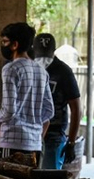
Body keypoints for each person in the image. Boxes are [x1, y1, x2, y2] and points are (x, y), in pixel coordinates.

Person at [0, 22, 53, 163]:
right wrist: (33, 126)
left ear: (15, 45)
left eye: (5, 41)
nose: (2, 45)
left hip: (13, 143)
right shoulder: (41, 71)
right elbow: (49, 111)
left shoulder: (10, 69)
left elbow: (9, 110)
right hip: (35, 143)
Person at [33, 32, 81, 169]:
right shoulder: (29, 68)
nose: (43, 59)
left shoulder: (64, 71)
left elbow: (76, 108)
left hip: (54, 135)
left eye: (46, 55)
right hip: (31, 133)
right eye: (40, 54)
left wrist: (71, 142)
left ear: (54, 51)